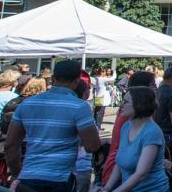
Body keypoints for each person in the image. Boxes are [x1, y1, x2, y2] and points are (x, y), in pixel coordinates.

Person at [5, 59, 100, 192]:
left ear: (53, 78)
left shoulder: (27, 104)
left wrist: (16, 174)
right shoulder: (79, 107)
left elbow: (11, 144)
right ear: (77, 81)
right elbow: (92, 146)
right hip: (61, 178)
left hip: (29, 176)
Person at [97, 87, 169, 192]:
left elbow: (141, 173)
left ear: (139, 105)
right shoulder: (126, 127)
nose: (121, 105)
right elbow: (120, 163)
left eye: (126, 102)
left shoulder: (152, 132)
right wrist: (107, 188)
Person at [102, 71, 156, 185]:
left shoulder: (132, 117)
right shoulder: (130, 118)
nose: (156, 88)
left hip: (120, 173)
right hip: (120, 175)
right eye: (153, 85)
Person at [155, 66, 172, 176]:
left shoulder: (158, 91)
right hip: (169, 137)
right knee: (171, 169)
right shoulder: (171, 93)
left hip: (159, 133)